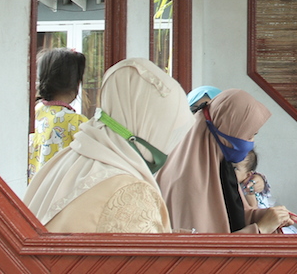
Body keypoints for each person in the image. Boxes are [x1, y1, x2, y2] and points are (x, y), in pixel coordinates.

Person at [23, 58, 193, 232]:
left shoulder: (66, 160)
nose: (167, 147)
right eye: (164, 134)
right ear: (144, 125)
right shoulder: (130, 193)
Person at [157, 88, 297, 233]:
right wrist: (260, 229)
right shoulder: (188, 181)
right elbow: (201, 246)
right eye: (248, 135)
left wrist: (272, 216)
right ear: (225, 130)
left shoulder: (218, 166)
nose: (251, 142)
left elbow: (232, 215)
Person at [28, 48, 88, 182]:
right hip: (59, 190)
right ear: (76, 84)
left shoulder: (35, 112)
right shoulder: (76, 122)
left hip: (33, 189)